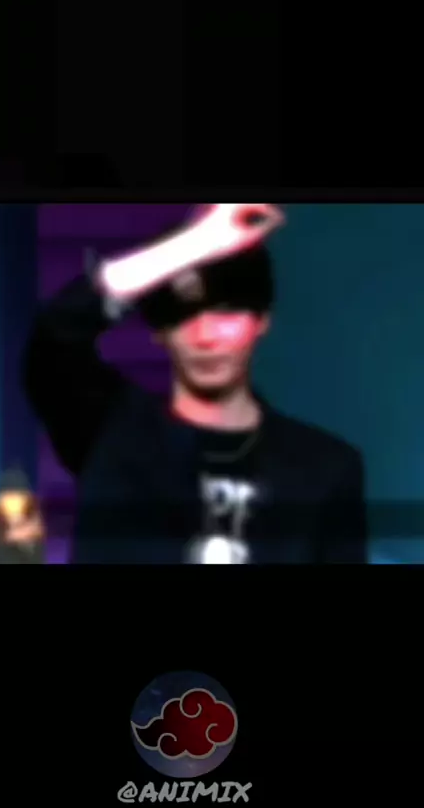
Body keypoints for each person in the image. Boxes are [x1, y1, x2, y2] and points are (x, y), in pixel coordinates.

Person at [23, 204, 367, 564]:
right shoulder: (109, 429)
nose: (204, 337)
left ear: (262, 320)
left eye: (226, 312)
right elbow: (54, 339)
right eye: (181, 316)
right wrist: (197, 243)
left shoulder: (325, 468)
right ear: (159, 332)